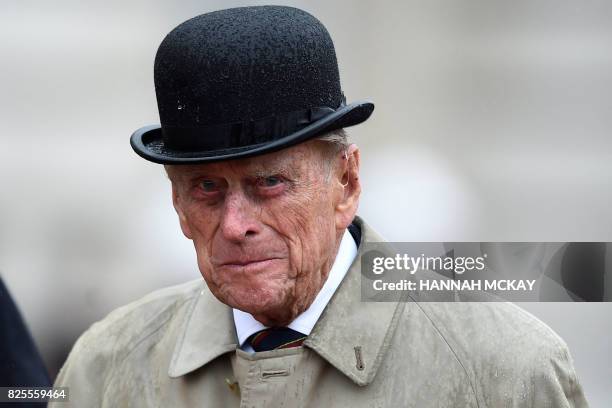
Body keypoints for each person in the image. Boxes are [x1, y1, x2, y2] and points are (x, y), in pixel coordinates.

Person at [51, 6, 589, 407]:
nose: (236, 226)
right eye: (207, 189)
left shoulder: (504, 370)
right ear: (177, 203)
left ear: (348, 182)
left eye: (270, 184)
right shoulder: (105, 368)